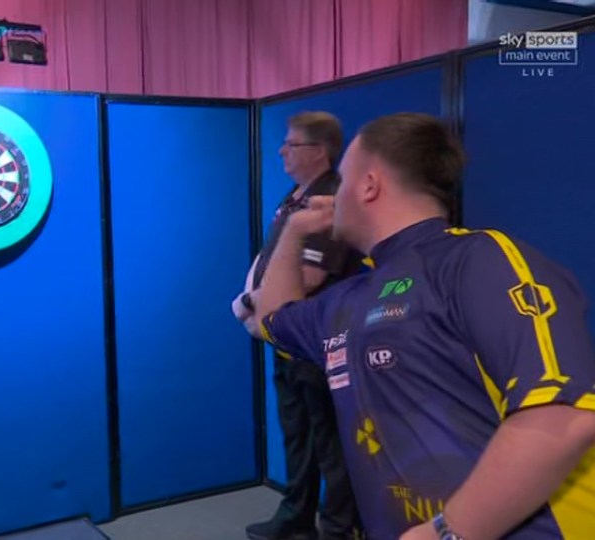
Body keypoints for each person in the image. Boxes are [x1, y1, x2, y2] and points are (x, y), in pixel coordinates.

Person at [245, 112, 595, 539]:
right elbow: (269, 320)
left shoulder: (479, 260)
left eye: (343, 177)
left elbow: (563, 417)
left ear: (369, 185)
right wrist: (296, 230)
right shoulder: (349, 299)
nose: (334, 193)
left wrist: (447, 532)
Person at [233, 111, 363, 540]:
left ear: (319, 152)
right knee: (297, 433)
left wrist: (251, 302)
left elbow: (309, 277)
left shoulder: (330, 200)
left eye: (291, 144)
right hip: (286, 338)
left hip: (317, 342)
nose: (281, 150)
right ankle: (297, 515)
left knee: (330, 439)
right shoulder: (294, 196)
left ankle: (337, 527)